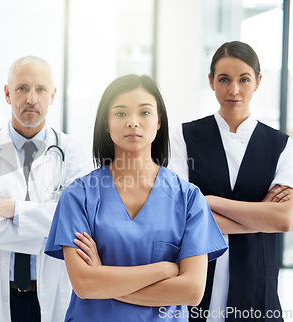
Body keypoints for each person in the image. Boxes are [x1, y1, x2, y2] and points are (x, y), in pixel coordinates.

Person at [45, 74, 228, 321]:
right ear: (107, 124)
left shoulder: (188, 198)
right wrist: (163, 270)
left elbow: (192, 291)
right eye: (121, 113)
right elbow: (85, 285)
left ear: (159, 121)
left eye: (144, 113)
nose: (133, 122)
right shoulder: (79, 196)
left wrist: (105, 278)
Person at [169, 41, 293, 322]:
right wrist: (261, 215)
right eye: (224, 79)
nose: (234, 90)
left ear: (258, 82)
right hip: (197, 285)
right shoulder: (185, 137)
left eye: (244, 79)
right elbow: (178, 217)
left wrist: (208, 203)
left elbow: (283, 219)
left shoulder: (282, 146)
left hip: (258, 292)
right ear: (211, 81)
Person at [0, 56, 91, 322]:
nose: (31, 98)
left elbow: (77, 225)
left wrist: (14, 210)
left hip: (52, 293)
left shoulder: (74, 153)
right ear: (8, 94)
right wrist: (51, 228)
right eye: (22, 88)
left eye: (41, 89)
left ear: (53, 95)